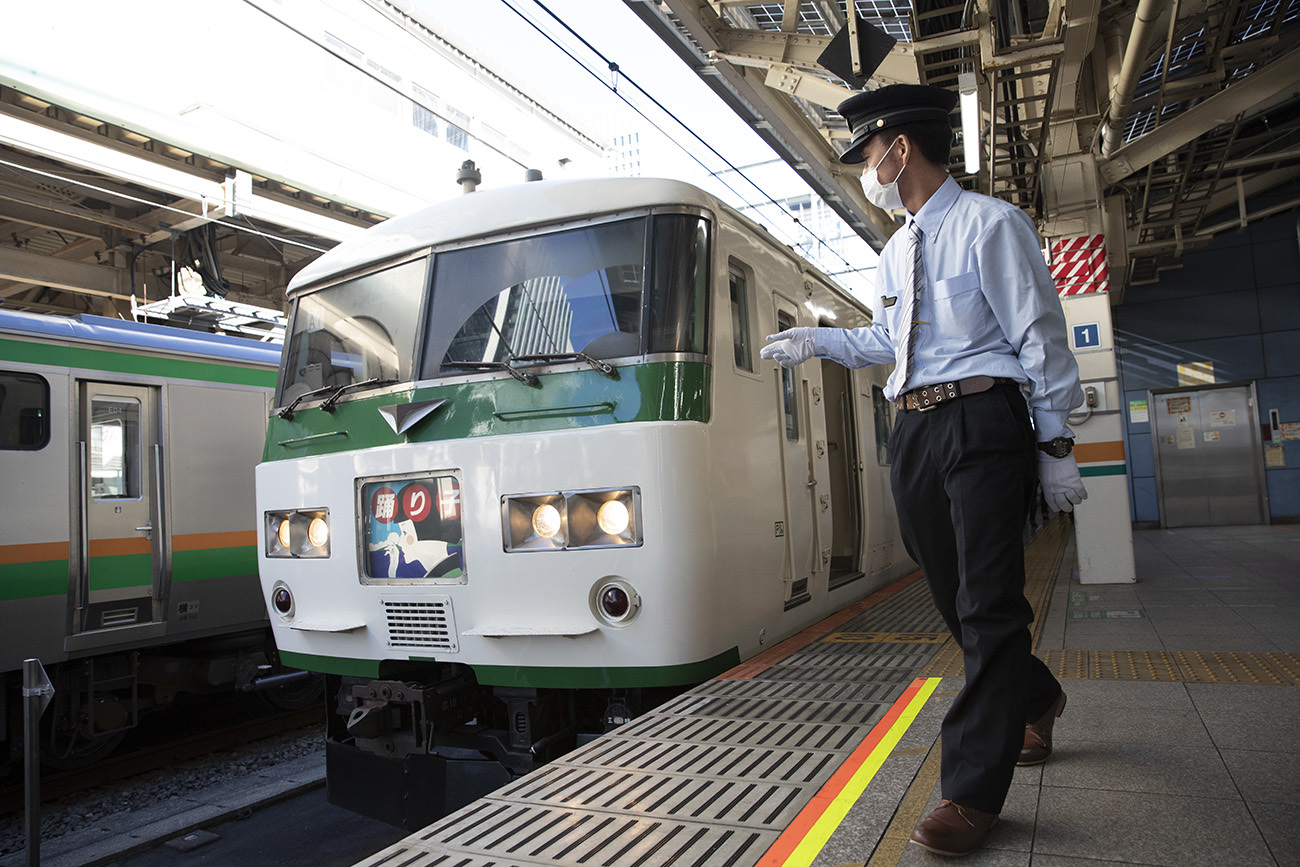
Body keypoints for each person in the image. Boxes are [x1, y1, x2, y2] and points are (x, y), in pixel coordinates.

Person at [761, 84, 1086, 857]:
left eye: (868, 151)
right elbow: (889, 340)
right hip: (914, 427)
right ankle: (1036, 695)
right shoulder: (895, 248)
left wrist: (1055, 443)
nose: (865, 165)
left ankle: (971, 789)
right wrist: (819, 342)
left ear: (899, 148)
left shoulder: (991, 225)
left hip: (982, 421)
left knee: (987, 602)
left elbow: (1038, 335)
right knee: (952, 594)